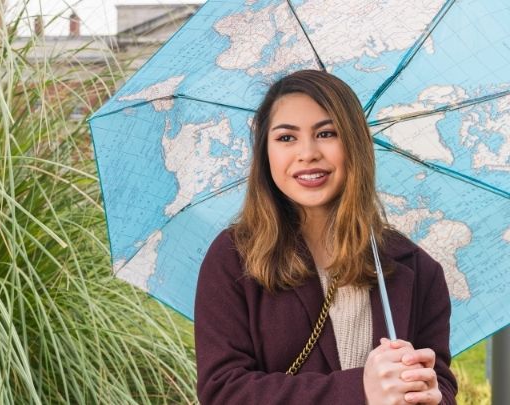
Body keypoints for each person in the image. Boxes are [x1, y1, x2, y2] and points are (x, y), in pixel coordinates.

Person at [194, 70, 457, 404]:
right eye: (286, 138)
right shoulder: (234, 258)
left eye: (327, 133)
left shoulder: (418, 270)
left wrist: (430, 395)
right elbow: (223, 392)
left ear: (354, 144)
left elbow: (443, 386)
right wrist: (359, 390)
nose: (307, 153)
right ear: (265, 153)